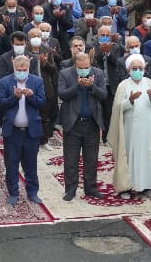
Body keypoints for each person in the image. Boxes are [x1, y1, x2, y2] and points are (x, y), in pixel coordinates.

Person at [108, 54, 151, 200]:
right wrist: (130, 101)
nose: (138, 70)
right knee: (128, 156)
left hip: (147, 129)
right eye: (134, 68)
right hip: (129, 129)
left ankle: (146, 186)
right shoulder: (123, 86)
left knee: (147, 156)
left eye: (140, 68)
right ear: (128, 70)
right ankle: (125, 187)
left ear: (144, 69)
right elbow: (117, 108)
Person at [0, 55, 47, 206]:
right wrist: (15, 96)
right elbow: (0, 104)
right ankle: (13, 193)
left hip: (31, 132)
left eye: (24, 70)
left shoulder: (36, 81)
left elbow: (43, 103)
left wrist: (31, 97)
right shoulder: (5, 82)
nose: (22, 72)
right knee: (11, 164)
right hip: (13, 132)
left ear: (29, 68)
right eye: (19, 70)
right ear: (14, 68)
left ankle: (32, 193)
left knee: (31, 164)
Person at [58, 51, 108, 201]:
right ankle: (71, 189)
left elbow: (104, 95)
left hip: (92, 123)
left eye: (86, 67)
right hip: (73, 123)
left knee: (91, 159)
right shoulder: (65, 74)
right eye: (81, 68)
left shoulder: (97, 73)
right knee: (71, 159)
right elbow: (62, 94)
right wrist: (78, 86)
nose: (84, 70)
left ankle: (91, 188)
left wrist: (92, 86)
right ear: (75, 65)